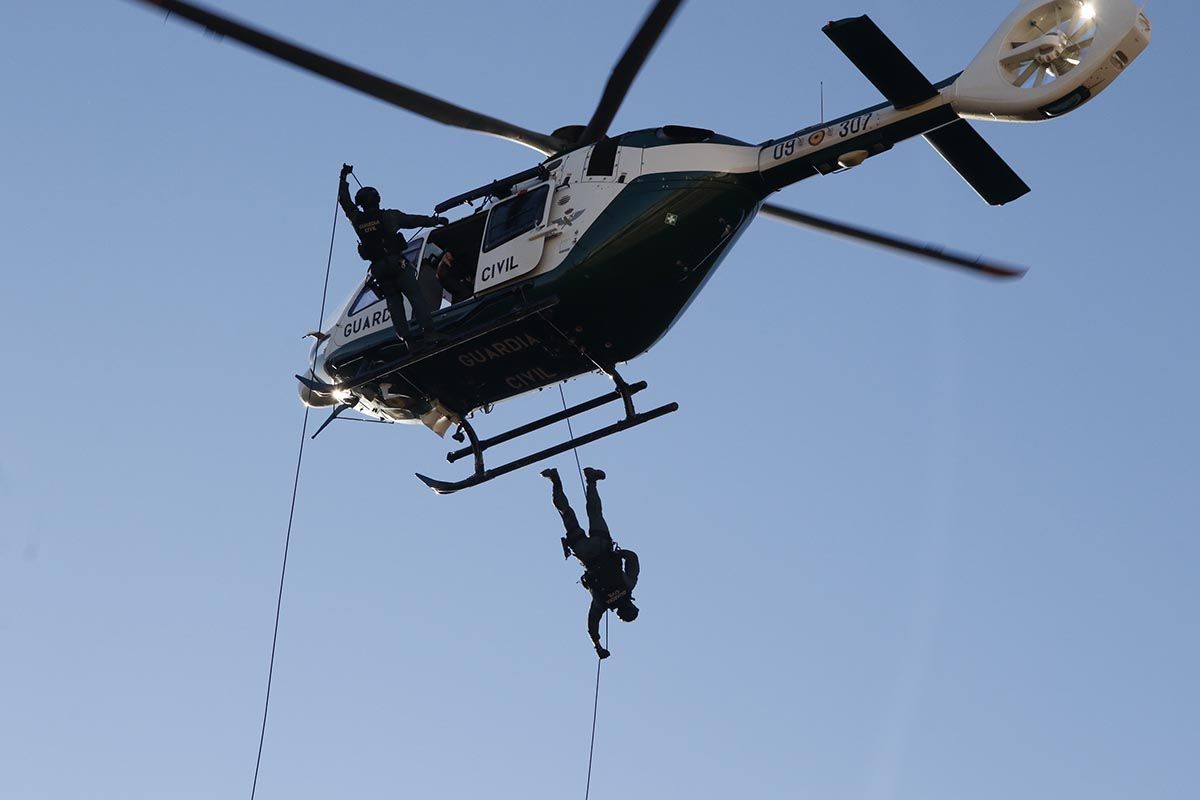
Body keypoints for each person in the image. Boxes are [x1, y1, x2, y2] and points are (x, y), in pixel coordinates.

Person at [338, 164, 449, 344]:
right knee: (415, 296)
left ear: (361, 203)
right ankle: (430, 334)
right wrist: (435, 221)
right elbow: (413, 220)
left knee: (394, 304)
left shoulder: (357, 219)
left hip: (378, 269)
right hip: (396, 263)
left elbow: (344, 201)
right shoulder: (389, 216)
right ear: (377, 200)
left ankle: (408, 342)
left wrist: (343, 178)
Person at [541, 466, 640, 659]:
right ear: (620, 613)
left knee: (595, 512)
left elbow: (633, 559)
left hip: (602, 546)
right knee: (566, 514)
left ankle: (591, 480)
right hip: (585, 554)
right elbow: (591, 626)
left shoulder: (628, 586)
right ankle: (555, 480)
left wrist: (619, 555)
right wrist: (598, 646)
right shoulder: (602, 603)